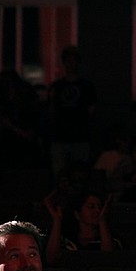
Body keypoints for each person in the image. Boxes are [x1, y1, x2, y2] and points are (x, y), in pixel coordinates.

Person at [48, 45, 97, 179]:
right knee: (60, 175)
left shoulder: (86, 86)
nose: (71, 64)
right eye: (69, 61)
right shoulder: (57, 87)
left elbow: (91, 110)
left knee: (78, 174)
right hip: (61, 136)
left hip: (79, 136)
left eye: (73, 60)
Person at [45, 191, 121, 265]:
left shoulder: (112, 239)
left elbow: (110, 260)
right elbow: (51, 260)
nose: (98, 211)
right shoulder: (66, 240)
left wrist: (102, 221)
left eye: (100, 207)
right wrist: (57, 221)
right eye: (91, 207)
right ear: (77, 214)